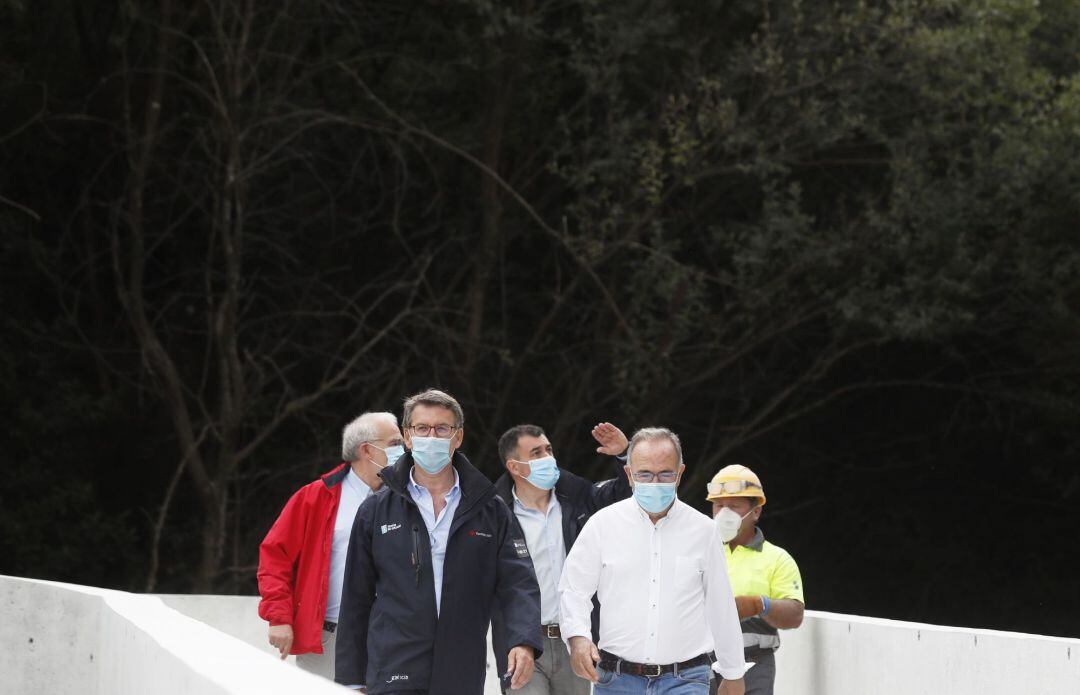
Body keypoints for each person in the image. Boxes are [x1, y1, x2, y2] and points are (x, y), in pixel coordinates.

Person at [335, 389, 543, 694]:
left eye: (442, 429)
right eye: (422, 428)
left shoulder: (490, 509)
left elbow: (518, 583)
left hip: (460, 667)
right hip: (393, 669)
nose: (431, 436)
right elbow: (356, 598)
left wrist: (523, 641)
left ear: (457, 438)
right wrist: (351, 679)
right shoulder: (376, 509)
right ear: (407, 436)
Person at [559, 427, 747, 695]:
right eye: (645, 474)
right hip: (616, 680)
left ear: (680, 473)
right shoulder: (602, 525)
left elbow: (720, 605)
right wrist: (578, 638)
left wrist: (733, 672)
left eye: (665, 474)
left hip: (686, 679)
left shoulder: (704, 531)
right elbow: (574, 589)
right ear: (629, 475)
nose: (655, 482)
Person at [257, 411, 404, 679]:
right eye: (395, 443)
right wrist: (279, 617)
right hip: (329, 639)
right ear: (367, 450)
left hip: (391, 638)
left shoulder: (407, 498)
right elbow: (274, 556)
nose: (404, 450)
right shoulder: (315, 497)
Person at [491, 422, 633, 695]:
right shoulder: (494, 513)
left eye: (548, 449)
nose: (548, 458)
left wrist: (624, 454)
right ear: (515, 467)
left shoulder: (578, 497)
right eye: (536, 453)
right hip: (523, 643)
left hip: (575, 639)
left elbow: (626, 497)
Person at [707, 465, 804, 695]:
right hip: (699, 665)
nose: (724, 513)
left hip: (754, 664)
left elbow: (795, 615)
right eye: (719, 505)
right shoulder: (698, 553)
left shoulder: (777, 559)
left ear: (756, 511)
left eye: (734, 506)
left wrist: (759, 605)